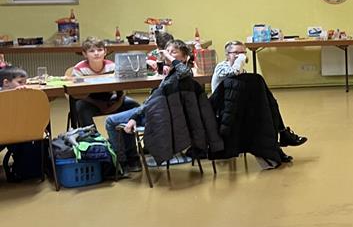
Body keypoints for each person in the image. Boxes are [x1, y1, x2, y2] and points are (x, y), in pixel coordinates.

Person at [105, 40, 194, 173]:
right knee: (131, 109)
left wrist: (135, 117)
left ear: (184, 57)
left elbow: (185, 71)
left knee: (110, 121)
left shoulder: (183, 75)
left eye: (174, 52)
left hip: (161, 117)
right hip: (160, 112)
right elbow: (151, 101)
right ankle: (133, 159)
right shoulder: (172, 74)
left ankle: (123, 163)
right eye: (167, 51)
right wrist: (134, 117)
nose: (168, 54)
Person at [212, 41, 306, 149]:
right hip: (222, 107)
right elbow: (234, 72)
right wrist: (240, 60)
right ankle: (281, 136)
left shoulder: (242, 70)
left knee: (269, 104)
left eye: (243, 53)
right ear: (227, 55)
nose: (239, 56)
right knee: (263, 106)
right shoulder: (221, 67)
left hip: (237, 104)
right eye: (236, 52)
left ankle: (279, 137)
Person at [70, 37, 139, 127]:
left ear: (105, 52)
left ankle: (127, 131)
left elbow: (122, 89)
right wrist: (99, 104)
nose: (96, 53)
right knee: (81, 107)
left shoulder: (112, 66)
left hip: (111, 99)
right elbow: (77, 94)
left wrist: (117, 103)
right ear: (85, 54)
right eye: (92, 51)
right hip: (88, 100)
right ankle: (91, 134)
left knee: (134, 106)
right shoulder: (79, 69)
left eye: (100, 50)